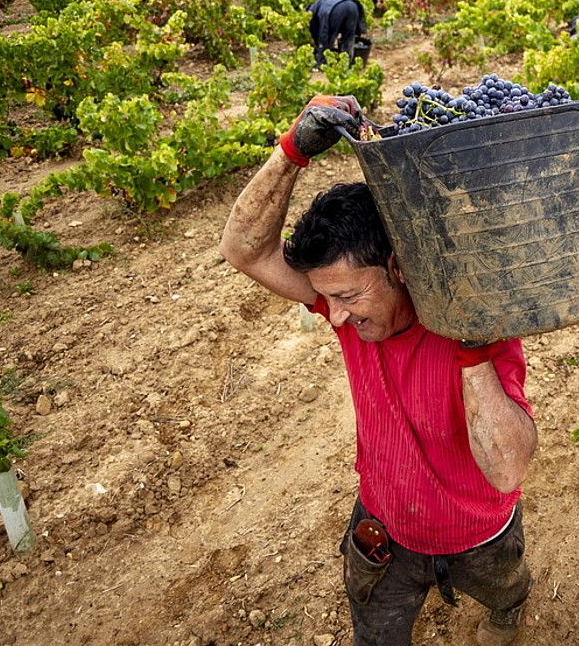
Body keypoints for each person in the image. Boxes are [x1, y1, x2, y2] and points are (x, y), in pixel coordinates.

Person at [219, 96, 537, 646]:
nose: (333, 315)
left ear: (397, 265)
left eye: (346, 296)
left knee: (506, 588)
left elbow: (508, 469)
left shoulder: (477, 328)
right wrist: (291, 152)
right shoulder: (348, 313)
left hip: (481, 535)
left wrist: (470, 350)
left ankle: (508, 611)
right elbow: (245, 250)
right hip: (385, 529)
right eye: (326, 298)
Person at [307, 0, 366, 68]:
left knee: (329, 37)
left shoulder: (312, 13)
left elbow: (319, 33)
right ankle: (346, 63)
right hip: (353, 5)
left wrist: (320, 47)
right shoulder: (320, 2)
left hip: (336, 8)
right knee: (349, 37)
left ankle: (322, 63)